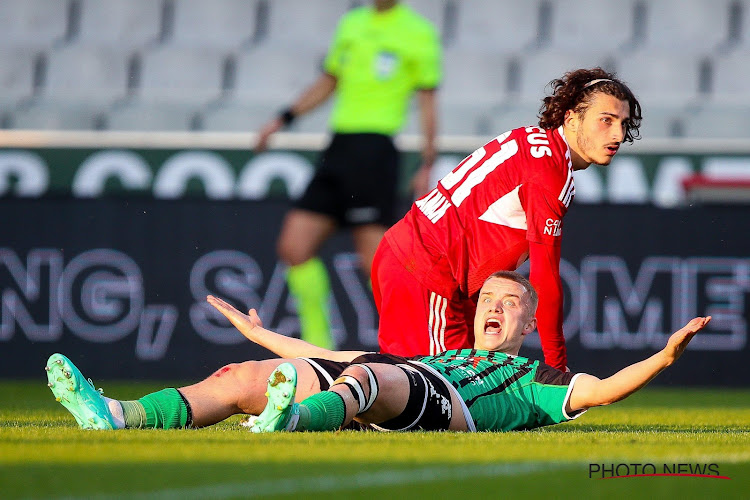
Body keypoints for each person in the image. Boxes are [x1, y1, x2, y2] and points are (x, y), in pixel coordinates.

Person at [46, 272, 709, 434]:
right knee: (243, 375)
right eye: (487, 299)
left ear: (532, 322)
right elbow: (329, 353)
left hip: (434, 403)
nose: (493, 308)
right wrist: (262, 339)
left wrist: (665, 357)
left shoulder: (540, 380)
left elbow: (604, 390)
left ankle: (292, 421)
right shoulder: (440, 353)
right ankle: (118, 415)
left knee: (367, 378)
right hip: (406, 377)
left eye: (510, 304)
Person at [373, 67, 643, 370]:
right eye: (605, 120)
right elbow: (544, 278)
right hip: (427, 274)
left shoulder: (532, 140)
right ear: (571, 118)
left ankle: (333, 385)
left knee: (443, 390)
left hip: (418, 265)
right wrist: (556, 366)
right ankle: (323, 388)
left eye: (623, 123)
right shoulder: (550, 172)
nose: (618, 134)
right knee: (429, 392)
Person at [254, 0, 441, 350]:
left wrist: (427, 161)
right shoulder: (352, 24)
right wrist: (283, 118)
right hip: (338, 147)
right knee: (294, 247)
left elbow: (427, 100)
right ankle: (318, 348)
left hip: (375, 151)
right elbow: (329, 81)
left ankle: (415, 350)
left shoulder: (418, 32)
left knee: (377, 264)